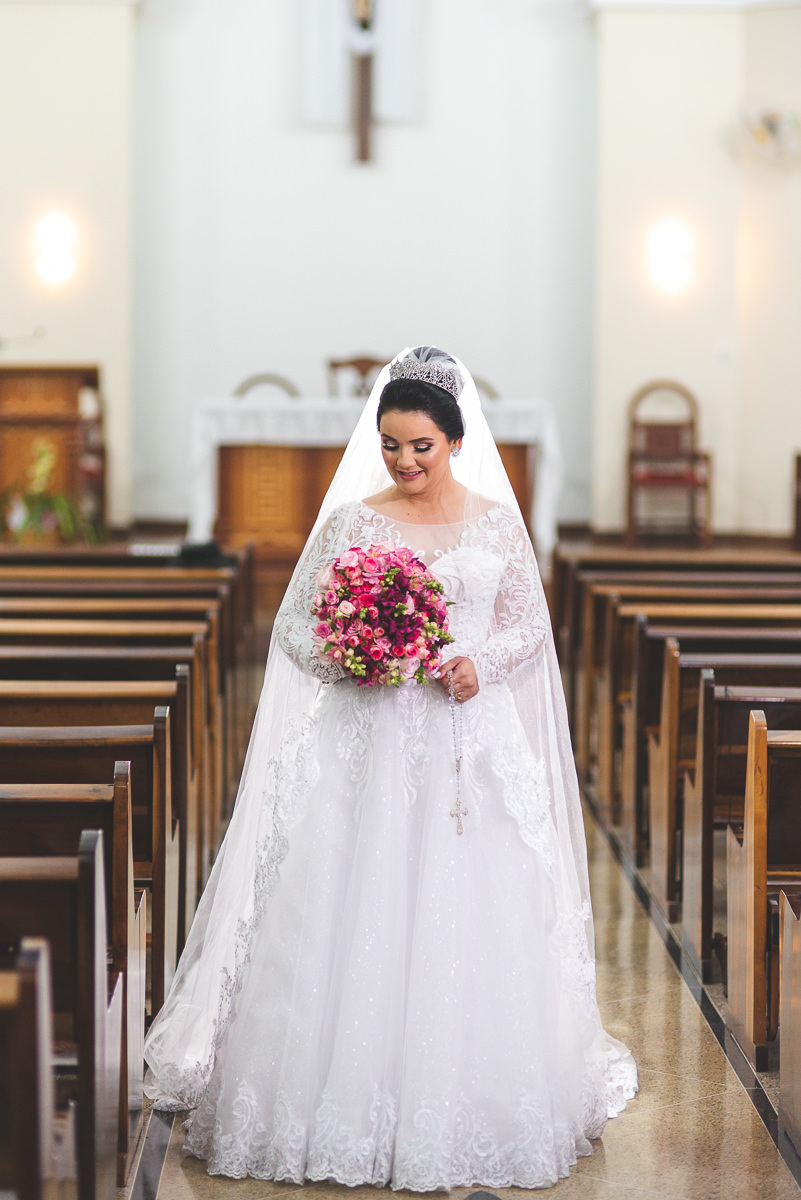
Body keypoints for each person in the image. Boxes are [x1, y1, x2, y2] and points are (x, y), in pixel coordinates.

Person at [144, 346, 637, 1190]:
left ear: (455, 439)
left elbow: (526, 627)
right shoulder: (353, 523)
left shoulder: (491, 523)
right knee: (349, 899)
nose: (404, 463)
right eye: (389, 446)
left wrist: (479, 662)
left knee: (467, 903)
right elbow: (295, 627)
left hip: (460, 752)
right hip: (363, 745)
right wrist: (354, 655)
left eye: (421, 446)